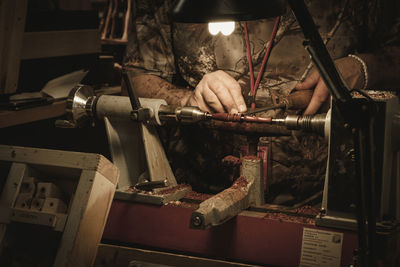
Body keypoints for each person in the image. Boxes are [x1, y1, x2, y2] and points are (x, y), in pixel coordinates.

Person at [123, 0, 400, 201]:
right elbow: (134, 79)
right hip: (196, 191)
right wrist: (188, 97)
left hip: (324, 196)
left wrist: (362, 68)